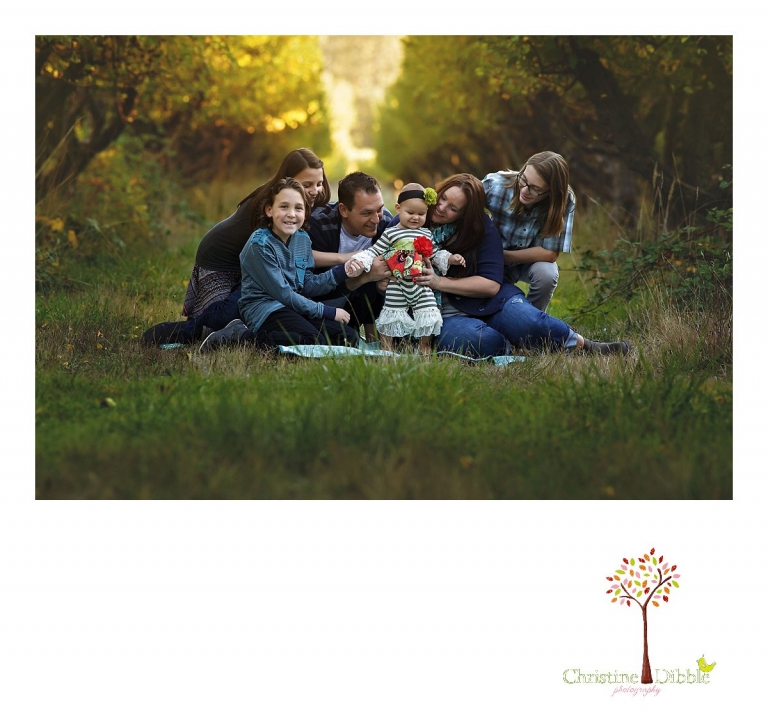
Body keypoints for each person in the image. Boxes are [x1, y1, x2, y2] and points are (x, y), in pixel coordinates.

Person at [410, 173, 629, 358]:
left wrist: (439, 281)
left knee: (529, 322)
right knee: (485, 341)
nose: (441, 208)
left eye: (453, 208)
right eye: (443, 198)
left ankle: (585, 345)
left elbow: (490, 286)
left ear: (465, 214)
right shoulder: (412, 219)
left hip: (492, 301)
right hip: (441, 314)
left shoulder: (481, 228)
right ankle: (512, 344)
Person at [141, 148, 332, 346]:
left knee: (249, 310)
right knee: (227, 316)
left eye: (319, 184)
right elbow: (284, 260)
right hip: (221, 260)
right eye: (307, 184)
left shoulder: (300, 201)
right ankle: (176, 332)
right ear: (288, 180)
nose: (316, 191)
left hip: (247, 263)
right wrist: (343, 259)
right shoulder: (271, 206)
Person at [198, 178, 357, 352]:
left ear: (305, 213)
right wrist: (328, 311)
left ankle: (300, 335)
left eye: (298, 208)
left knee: (348, 337)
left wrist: (343, 271)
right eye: (284, 207)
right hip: (265, 310)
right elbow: (284, 294)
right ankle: (239, 336)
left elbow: (307, 285)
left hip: (293, 308)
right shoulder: (259, 245)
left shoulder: (302, 239)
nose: (291, 214)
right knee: (312, 341)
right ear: (269, 210)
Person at [345, 183, 465, 354]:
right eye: (410, 213)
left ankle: (424, 345)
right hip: (397, 283)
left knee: (429, 311)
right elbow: (375, 250)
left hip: (420, 283)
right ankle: (386, 346)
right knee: (391, 314)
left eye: (421, 214)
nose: (415, 217)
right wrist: (361, 260)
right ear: (398, 209)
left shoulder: (426, 234)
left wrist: (450, 258)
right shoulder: (391, 233)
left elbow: (435, 253)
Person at [482, 151, 575, 312]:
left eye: (535, 189)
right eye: (523, 180)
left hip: (528, 260)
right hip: (490, 257)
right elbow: (461, 205)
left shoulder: (564, 201)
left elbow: (550, 253)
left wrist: (505, 256)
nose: (525, 190)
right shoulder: (495, 185)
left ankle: (533, 319)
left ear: (551, 192)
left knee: (547, 274)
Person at [309, 171, 394, 341]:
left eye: (379, 209)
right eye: (367, 213)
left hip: (366, 300)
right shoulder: (319, 224)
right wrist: (349, 258)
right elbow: (310, 285)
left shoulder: (386, 224)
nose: (376, 219)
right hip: (325, 302)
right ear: (344, 210)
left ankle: (375, 339)